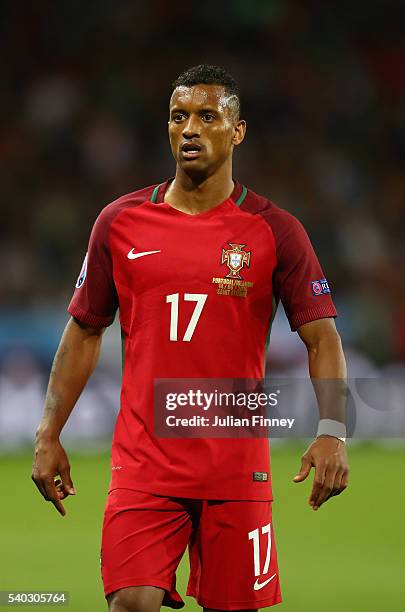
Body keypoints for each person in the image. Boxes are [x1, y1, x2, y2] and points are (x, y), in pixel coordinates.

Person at [32, 64, 349, 611]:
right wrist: (49, 431)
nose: (190, 129)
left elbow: (322, 338)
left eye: (208, 116)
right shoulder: (120, 221)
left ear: (238, 130)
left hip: (236, 467)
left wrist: (333, 431)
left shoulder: (276, 231)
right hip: (144, 463)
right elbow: (85, 329)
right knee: (130, 602)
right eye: (179, 117)